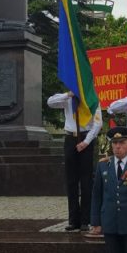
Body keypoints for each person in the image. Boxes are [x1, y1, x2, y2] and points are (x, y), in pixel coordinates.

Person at [47, 91, 102, 230]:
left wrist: (86, 142)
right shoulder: (68, 98)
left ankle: (85, 220)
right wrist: (68, 95)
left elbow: (97, 123)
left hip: (86, 138)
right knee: (71, 181)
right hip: (70, 138)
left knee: (86, 181)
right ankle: (73, 220)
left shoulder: (92, 99)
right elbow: (50, 102)